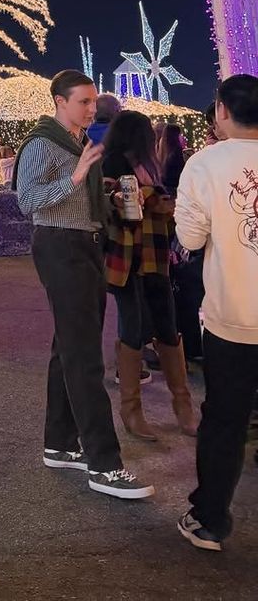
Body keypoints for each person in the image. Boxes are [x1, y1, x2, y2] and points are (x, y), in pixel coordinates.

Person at [13, 69, 154, 499]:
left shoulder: (79, 142)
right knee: (83, 356)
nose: (92, 109)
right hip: (60, 245)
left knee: (70, 346)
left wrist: (107, 198)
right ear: (59, 101)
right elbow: (27, 200)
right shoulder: (42, 143)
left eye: (94, 102)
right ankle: (104, 464)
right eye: (83, 102)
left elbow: (77, 198)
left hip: (85, 243)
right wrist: (75, 177)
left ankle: (59, 443)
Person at [175, 74, 258, 552]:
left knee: (226, 418)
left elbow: (189, 239)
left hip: (234, 315)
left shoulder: (204, 164)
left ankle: (210, 520)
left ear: (222, 110)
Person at [102, 111, 198, 440]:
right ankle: (132, 410)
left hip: (155, 257)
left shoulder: (145, 165)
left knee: (168, 325)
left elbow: (149, 206)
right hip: (128, 259)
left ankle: (183, 405)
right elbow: (125, 214)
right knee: (132, 326)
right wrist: (154, 200)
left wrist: (156, 201)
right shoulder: (114, 162)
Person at [158, 123, 187, 193]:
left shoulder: (162, 150)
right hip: (176, 189)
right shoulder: (177, 151)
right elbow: (181, 172)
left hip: (165, 188)